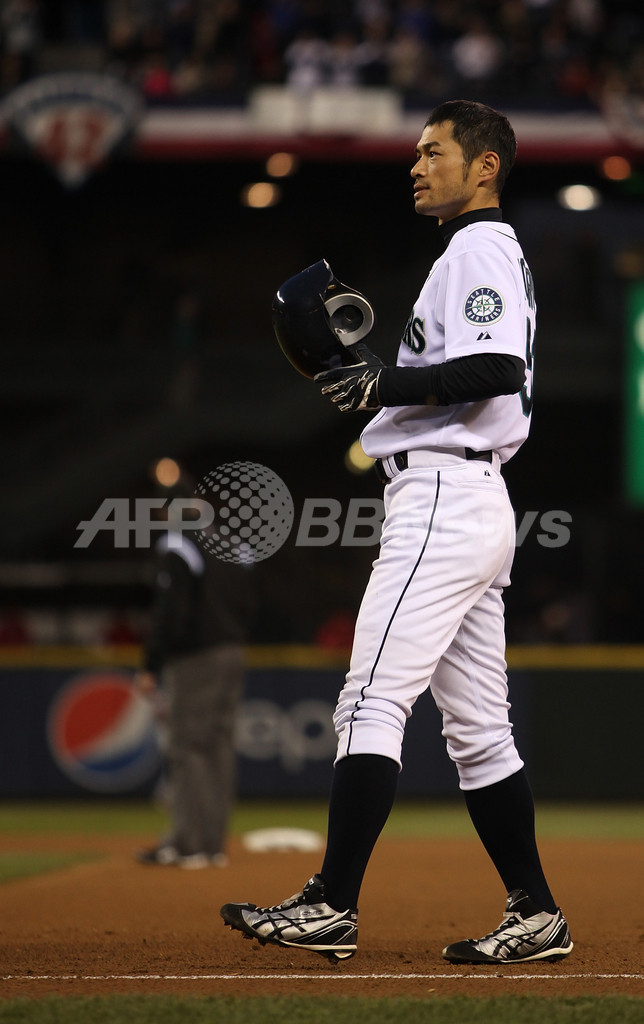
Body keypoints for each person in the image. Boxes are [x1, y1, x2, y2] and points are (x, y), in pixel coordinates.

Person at [221, 99, 573, 964]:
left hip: (445, 494)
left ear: (484, 165)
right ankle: (537, 915)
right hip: (470, 495)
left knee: (371, 697)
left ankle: (332, 904)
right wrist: (385, 383)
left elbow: (497, 368)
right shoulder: (477, 251)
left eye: (433, 152)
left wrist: (384, 386)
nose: (417, 166)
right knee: (481, 732)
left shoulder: (480, 246)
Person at [135, 510, 253, 869]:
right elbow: (251, 602)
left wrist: (152, 661)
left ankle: (189, 844)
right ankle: (212, 845)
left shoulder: (178, 543)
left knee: (187, 746)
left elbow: (170, 608)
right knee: (217, 747)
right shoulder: (230, 544)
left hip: (196, 656)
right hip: (233, 650)